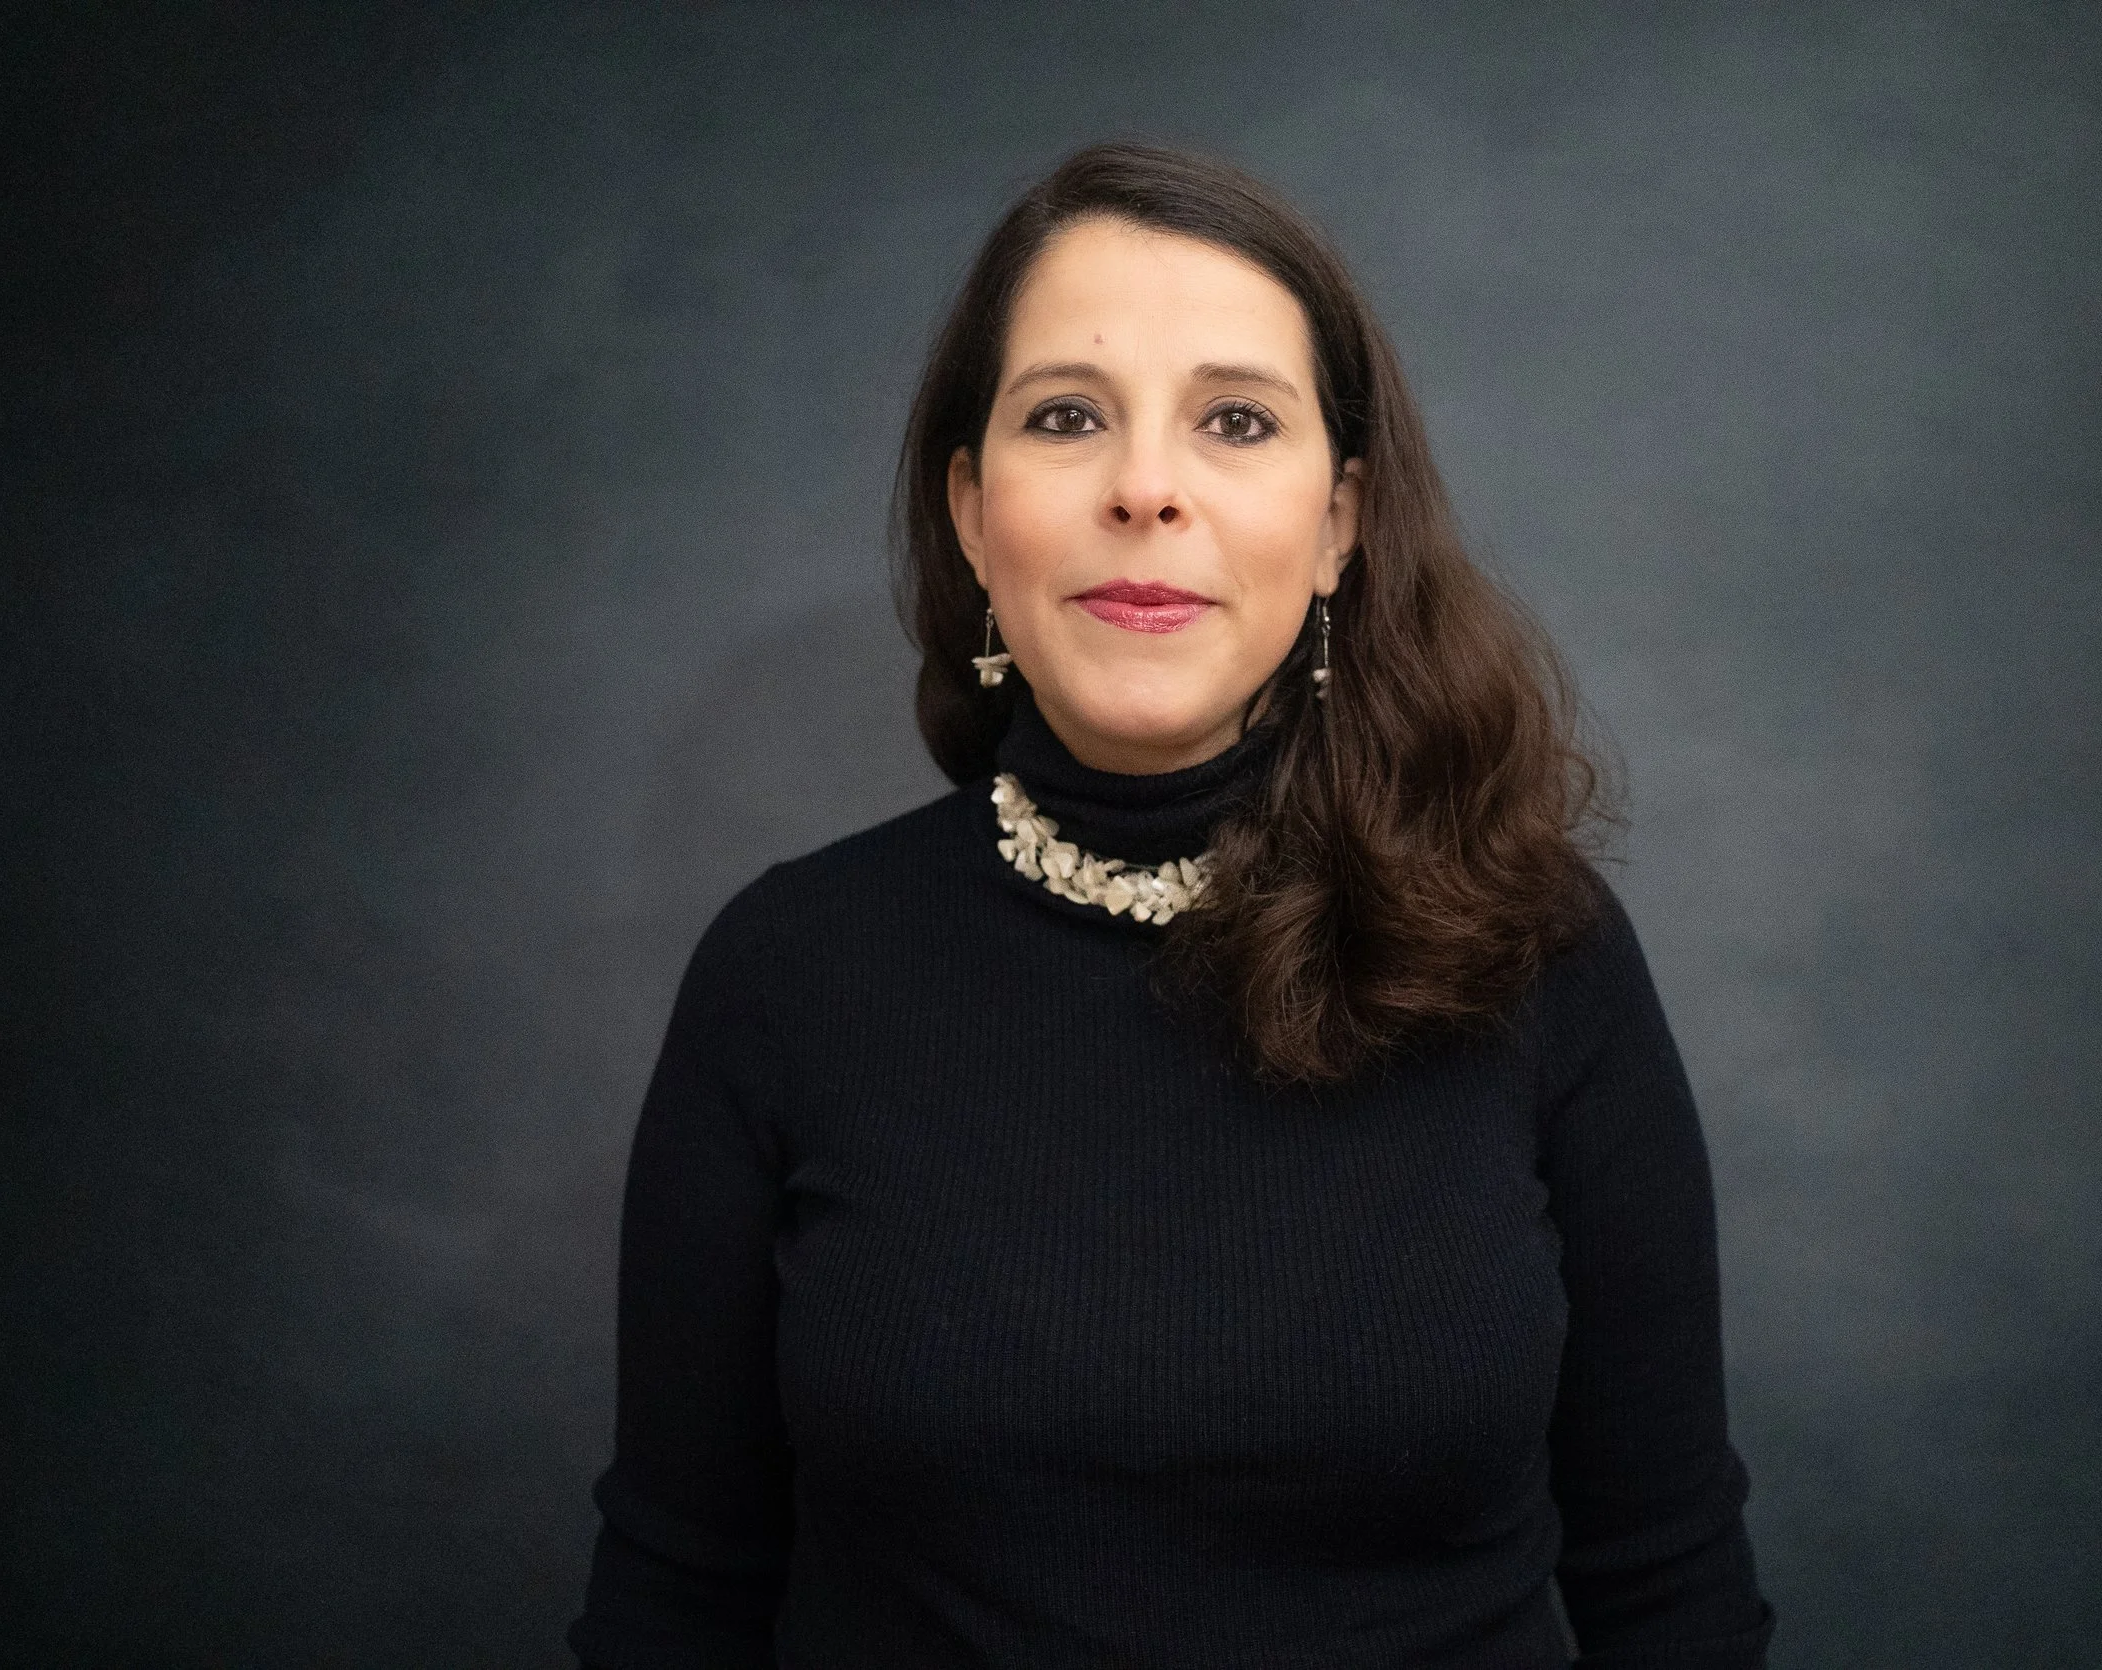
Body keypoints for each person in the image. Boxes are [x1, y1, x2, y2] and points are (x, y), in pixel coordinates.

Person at [566, 140, 1773, 1669]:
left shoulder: (1545, 957)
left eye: (1236, 422)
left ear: (1338, 521)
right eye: (1067, 418)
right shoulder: (785, 971)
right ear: (969, 509)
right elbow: (675, 1597)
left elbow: (1671, 1592)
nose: (1146, 488)